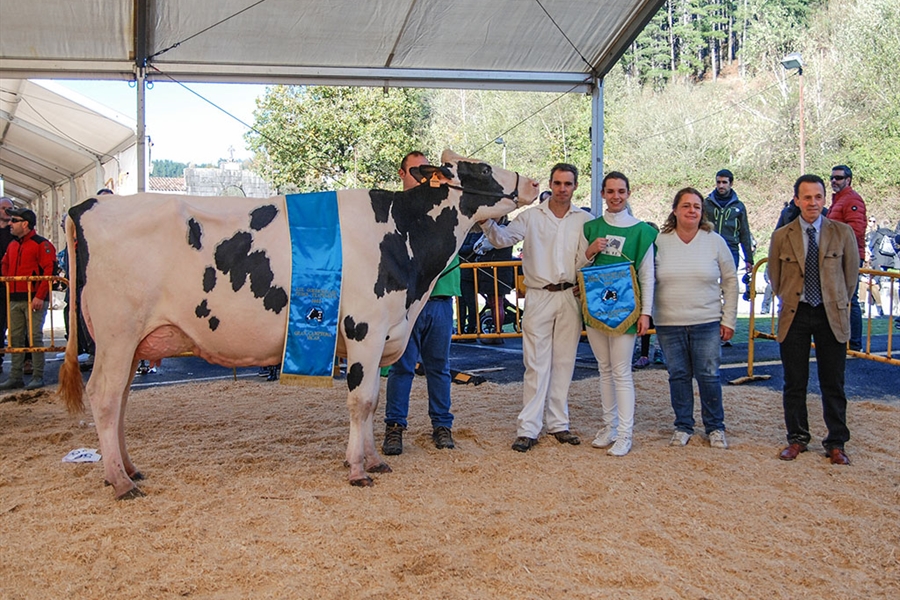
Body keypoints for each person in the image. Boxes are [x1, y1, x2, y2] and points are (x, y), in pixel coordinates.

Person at [480, 163, 592, 452]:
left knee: (565, 362)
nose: (562, 189)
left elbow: (584, 260)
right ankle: (528, 428)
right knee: (535, 364)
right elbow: (501, 239)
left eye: (568, 184)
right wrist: (484, 218)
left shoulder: (583, 220)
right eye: (557, 183)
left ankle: (559, 424)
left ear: (575, 186)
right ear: (550, 185)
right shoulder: (531, 217)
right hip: (539, 295)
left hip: (570, 295)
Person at [768, 174, 859, 465]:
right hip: (796, 313)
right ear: (797, 200)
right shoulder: (782, 235)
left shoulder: (842, 233)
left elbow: (850, 277)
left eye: (818, 197)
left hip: (830, 314)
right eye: (806, 197)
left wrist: (836, 302)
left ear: (824, 199)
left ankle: (836, 442)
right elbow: (775, 276)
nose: (812, 202)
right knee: (795, 381)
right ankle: (797, 438)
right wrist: (791, 297)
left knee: (833, 382)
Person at [382, 151, 458, 455]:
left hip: (439, 296)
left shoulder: (445, 204)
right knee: (402, 366)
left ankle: (442, 425)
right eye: (416, 171)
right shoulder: (390, 210)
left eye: (428, 171)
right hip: (405, 300)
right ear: (401, 174)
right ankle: (394, 426)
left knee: (439, 367)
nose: (423, 177)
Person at [653, 188, 738, 449]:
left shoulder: (714, 241)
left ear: (703, 212)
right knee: (678, 375)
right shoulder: (660, 240)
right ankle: (683, 426)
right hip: (669, 322)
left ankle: (715, 427)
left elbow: (731, 280)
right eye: (686, 205)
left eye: (697, 207)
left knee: (708, 375)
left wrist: (729, 319)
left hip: (707, 321)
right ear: (675, 209)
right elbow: (647, 279)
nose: (692, 211)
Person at [582, 172, 657, 456]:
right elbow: (580, 266)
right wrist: (590, 251)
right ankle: (609, 425)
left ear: (628, 193)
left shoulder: (642, 231)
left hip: (626, 311)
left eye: (621, 191)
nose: (616, 196)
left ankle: (625, 433)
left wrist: (646, 313)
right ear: (603, 193)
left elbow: (647, 276)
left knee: (622, 371)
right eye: (610, 191)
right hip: (597, 309)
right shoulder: (592, 228)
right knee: (604, 369)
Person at [0, 207, 57, 390]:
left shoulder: (42, 244)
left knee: (35, 338)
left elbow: (49, 271)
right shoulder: (13, 245)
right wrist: (9, 283)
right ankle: (15, 376)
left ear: (25, 224)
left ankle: (37, 375)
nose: (10, 224)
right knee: (15, 338)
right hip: (15, 297)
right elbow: (5, 264)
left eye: (14, 220)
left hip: (33, 298)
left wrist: (40, 296)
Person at [704, 169, 753, 346]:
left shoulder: (738, 206)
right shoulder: (706, 203)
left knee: (729, 289)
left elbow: (744, 232)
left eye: (724, 182)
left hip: (731, 250)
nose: (721, 186)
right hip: (709, 249)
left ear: (731, 184)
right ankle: (710, 329)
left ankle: (726, 329)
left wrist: (749, 259)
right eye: (718, 182)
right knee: (709, 289)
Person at [827, 165, 866, 351]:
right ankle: (842, 338)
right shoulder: (839, 201)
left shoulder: (852, 200)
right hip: (836, 256)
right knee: (838, 298)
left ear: (848, 180)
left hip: (848, 256)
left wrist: (836, 246)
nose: (834, 181)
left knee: (850, 299)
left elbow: (856, 230)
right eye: (832, 178)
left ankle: (854, 343)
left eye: (839, 178)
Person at [472, 217, 515, 344]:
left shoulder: (503, 229)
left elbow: (483, 245)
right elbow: (478, 246)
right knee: (494, 302)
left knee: (497, 302)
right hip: (492, 272)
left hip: (497, 272)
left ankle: (498, 332)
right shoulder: (499, 229)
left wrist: (479, 248)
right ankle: (496, 331)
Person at [0, 197, 16, 374]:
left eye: (9, 208)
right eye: (3, 208)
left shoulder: (15, 232)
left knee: (20, 328)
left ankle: (26, 361)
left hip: (16, 286)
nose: (6, 211)